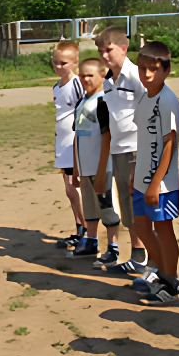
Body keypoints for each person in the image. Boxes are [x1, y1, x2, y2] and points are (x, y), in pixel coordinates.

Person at [129, 41, 179, 304]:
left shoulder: (167, 101)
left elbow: (169, 145)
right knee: (140, 224)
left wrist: (155, 183)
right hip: (141, 179)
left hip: (161, 185)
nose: (147, 74)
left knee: (163, 229)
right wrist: (135, 176)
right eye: (142, 68)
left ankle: (171, 281)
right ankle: (160, 272)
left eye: (153, 68)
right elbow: (143, 141)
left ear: (166, 70)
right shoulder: (144, 97)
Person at [95, 26, 148, 274]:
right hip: (118, 149)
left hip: (138, 147)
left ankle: (147, 256)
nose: (105, 55)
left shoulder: (137, 75)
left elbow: (152, 108)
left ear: (123, 48)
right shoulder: (107, 81)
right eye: (100, 51)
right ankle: (137, 254)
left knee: (139, 202)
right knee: (127, 204)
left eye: (109, 49)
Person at [70, 59, 120, 259]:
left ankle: (113, 246)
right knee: (90, 206)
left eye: (90, 75)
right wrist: (75, 168)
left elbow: (107, 137)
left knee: (107, 206)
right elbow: (77, 136)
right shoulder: (81, 101)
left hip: (102, 168)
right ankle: (91, 240)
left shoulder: (104, 101)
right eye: (82, 75)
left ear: (102, 76)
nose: (85, 79)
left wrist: (102, 169)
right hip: (85, 167)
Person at [51, 41, 86, 248]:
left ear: (75, 62)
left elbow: (85, 111)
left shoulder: (77, 84)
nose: (58, 66)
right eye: (55, 62)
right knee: (69, 189)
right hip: (61, 143)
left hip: (74, 143)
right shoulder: (56, 87)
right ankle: (78, 226)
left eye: (63, 63)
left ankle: (87, 232)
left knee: (77, 186)